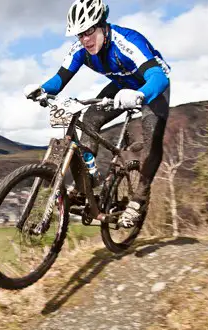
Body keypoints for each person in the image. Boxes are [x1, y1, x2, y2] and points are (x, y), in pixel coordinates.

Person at [24, 0, 171, 228]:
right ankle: (87, 185)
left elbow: (159, 77)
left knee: (152, 141)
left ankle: (139, 198)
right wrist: (42, 89)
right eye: (79, 35)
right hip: (121, 85)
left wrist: (140, 95)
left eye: (89, 31)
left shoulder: (128, 41)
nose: (85, 39)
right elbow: (60, 78)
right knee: (91, 118)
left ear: (102, 25)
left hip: (152, 86)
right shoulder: (81, 50)